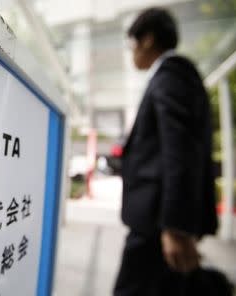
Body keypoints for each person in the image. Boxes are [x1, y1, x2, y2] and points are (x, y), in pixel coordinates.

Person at [114, 7, 218, 296]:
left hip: (156, 224)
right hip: (159, 222)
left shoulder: (172, 74)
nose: (132, 52)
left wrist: (175, 226)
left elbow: (180, 150)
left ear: (147, 39)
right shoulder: (177, 75)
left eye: (132, 43)